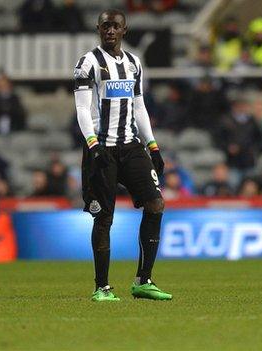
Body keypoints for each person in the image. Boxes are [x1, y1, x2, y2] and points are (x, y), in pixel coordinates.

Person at [74, 9, 171, 301]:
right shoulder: (87, 63)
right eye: (106, 26)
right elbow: (81, 108)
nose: (110, 31)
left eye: (116, 26)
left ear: (124, 30)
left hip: (131, 145)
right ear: (98, 28)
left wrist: (152, 145)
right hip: (101, 147)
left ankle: (143, 280)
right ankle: (101, 287)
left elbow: (139, 107)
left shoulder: (133, 64)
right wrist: (92, 144)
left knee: (156, 204)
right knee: (103, 217)